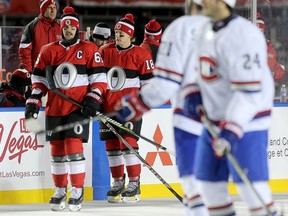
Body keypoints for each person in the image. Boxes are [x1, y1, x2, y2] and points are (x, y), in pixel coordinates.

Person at [113, 1, 209, 215]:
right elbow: (165, 82)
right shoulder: (179, 31)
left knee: (198, 179)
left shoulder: (178, 31)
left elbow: (164, 83)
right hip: (198, 114)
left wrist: (137, 104)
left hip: (193, 114)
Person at [183, 0, 276, 215]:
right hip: (213, 122)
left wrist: (231, 130)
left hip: (248, 123)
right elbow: (198, 70)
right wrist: (193, 93)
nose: (200, 3)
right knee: (209, 186)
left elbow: (249, 93)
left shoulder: (245, 34)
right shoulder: (203, 30)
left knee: (251, 189)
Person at [25, 6, 107, 212]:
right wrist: (33, 101)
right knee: (57, 152)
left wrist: (93, 99)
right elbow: (39, 80)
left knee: (73, 146)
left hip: (77, 109)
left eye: (72, 27)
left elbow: (99, 79)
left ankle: (77, 191)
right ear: (61, 28)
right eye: (66, 26)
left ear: (77, 28)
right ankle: (60, 190)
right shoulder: (47, 50)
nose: (69, 29)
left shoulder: (89, 49)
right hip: (54, 108)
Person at [99, 13, 154, 203]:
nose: (117, 36)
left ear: (131, 36)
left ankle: (134, 183)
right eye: (116, 33)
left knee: (128, 144)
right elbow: (97, 79)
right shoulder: (104, 51)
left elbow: (148, 85)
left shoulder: (141, 54)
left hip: (129, 109)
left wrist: (140, 104)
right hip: (107, 108)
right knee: (111, 146)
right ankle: (117, 182)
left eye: (121, 33)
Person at [18, 0, 61, 74]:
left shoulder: (60, 26)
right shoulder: (32, 26)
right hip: (38, 74)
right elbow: (24, 52)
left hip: (57, 73)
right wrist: (29, 73)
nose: (53, 10)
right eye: (49, 7)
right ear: (43, 10)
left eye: (54, 7)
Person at [256, 12, 285, 83]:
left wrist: (272, 72)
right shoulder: (241, 46)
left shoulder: (271, 47)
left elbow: (281, 70)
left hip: (266, 88)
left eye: (260, 31)